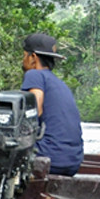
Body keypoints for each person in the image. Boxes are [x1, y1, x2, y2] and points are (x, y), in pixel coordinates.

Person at [20, 33, 83, 176]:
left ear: (33, 58)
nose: (23, 61)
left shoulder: (34, 75)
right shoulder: (60, 84)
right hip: (73, 161)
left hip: (49, 158)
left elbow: (34, 110)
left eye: (24, 56)